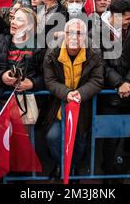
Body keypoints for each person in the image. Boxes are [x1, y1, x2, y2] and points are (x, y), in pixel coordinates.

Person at [43, 18, 103, 180]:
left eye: (79, 33)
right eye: (70, 32)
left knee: (79, 140)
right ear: (64, 34)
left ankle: (74, 166)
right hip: (59, 105)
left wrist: (80, 94)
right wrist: (66, 93)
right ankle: (60, 164)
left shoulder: (94, 52)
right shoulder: (52, 52)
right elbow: (49, 80)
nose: (74, 37)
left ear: (85, 36)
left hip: (82, 105)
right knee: (52, 137)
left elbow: (97, 80)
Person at [94, 0, 130, 177]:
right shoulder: (97, 32)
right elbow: (99, 63)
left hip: (129, 91)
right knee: (110, 135)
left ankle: (115, 163)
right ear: (115, 15)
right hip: (108, 92)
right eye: (127, 18)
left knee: (123, 132)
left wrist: (127, 82)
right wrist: (118, 83)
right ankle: (107, 170)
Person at [0, 7, 44, 97]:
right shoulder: (0, 40)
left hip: (29, 100)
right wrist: (1, 76)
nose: (13, 22)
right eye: (13, 18)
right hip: (2, 98)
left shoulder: (39, 46)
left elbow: (48, 77)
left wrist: (32, 83)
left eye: (19, 19)